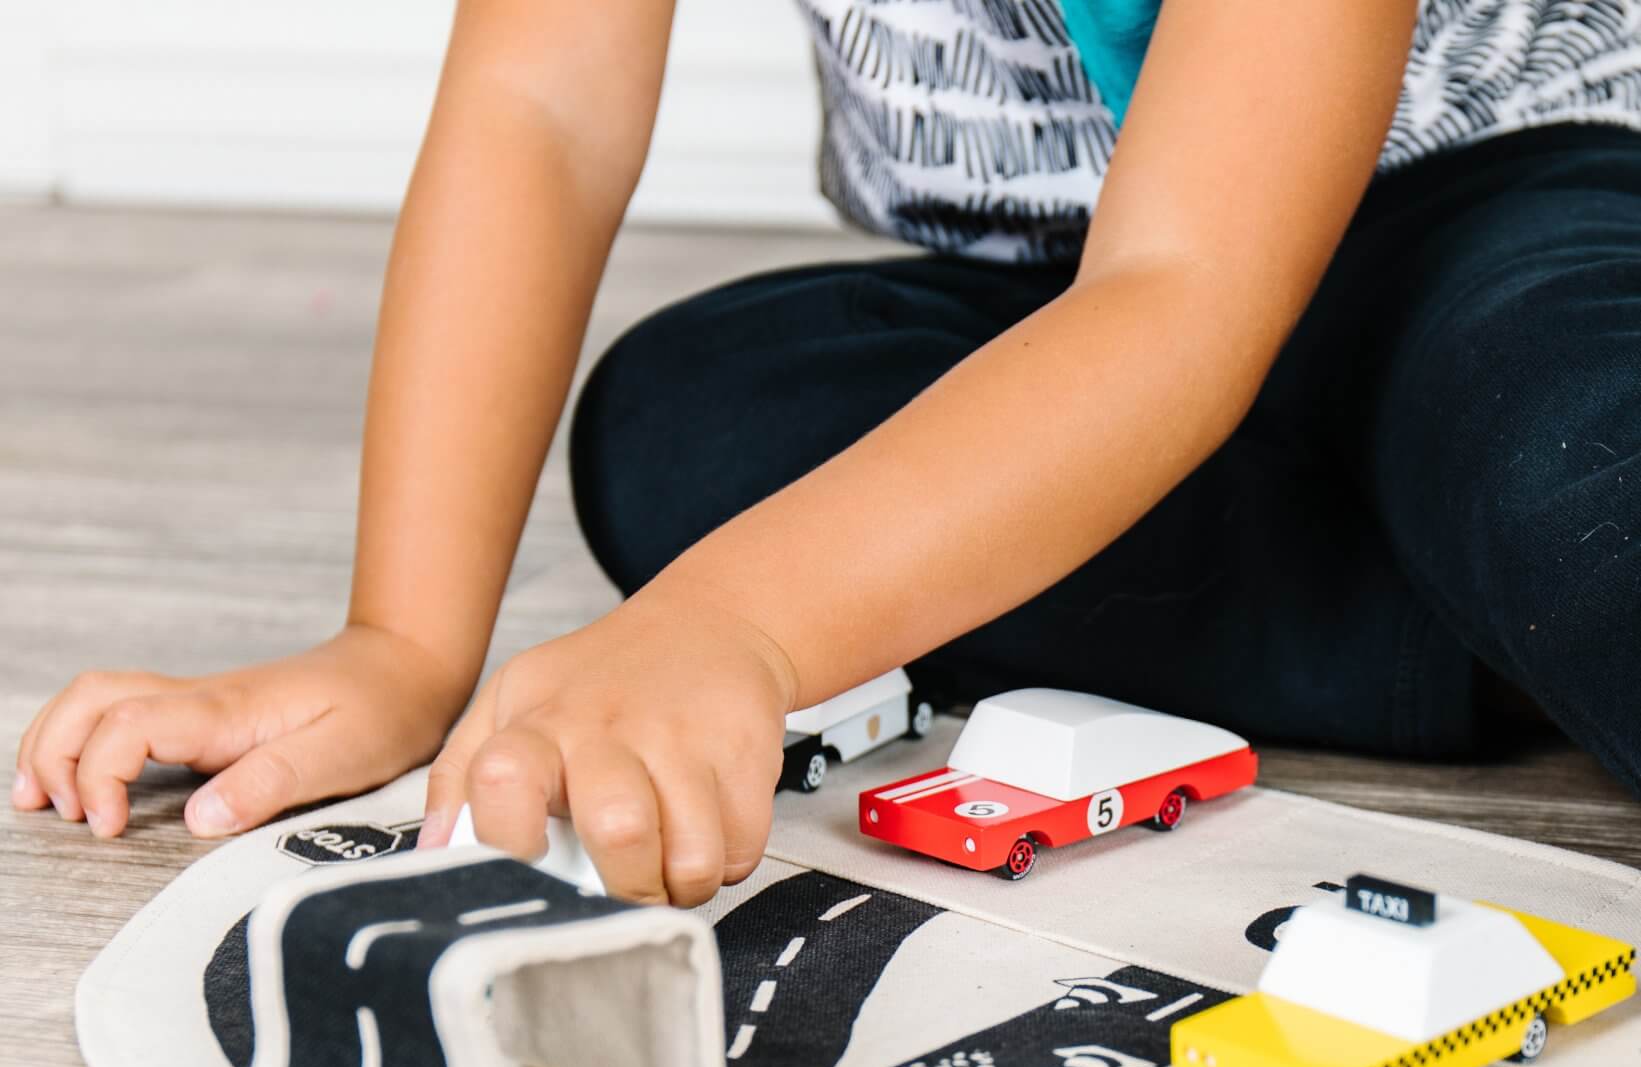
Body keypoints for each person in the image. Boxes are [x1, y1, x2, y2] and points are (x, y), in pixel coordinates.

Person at [14, 0, 1641, 906]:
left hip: (1495, 210)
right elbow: (540, 109)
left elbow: (1188, 286)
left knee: (1560, 451)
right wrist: (401, 642)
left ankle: (1513, 544)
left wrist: (743, 625)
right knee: (689, 427)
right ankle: (1479, 588)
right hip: (1058, 298)